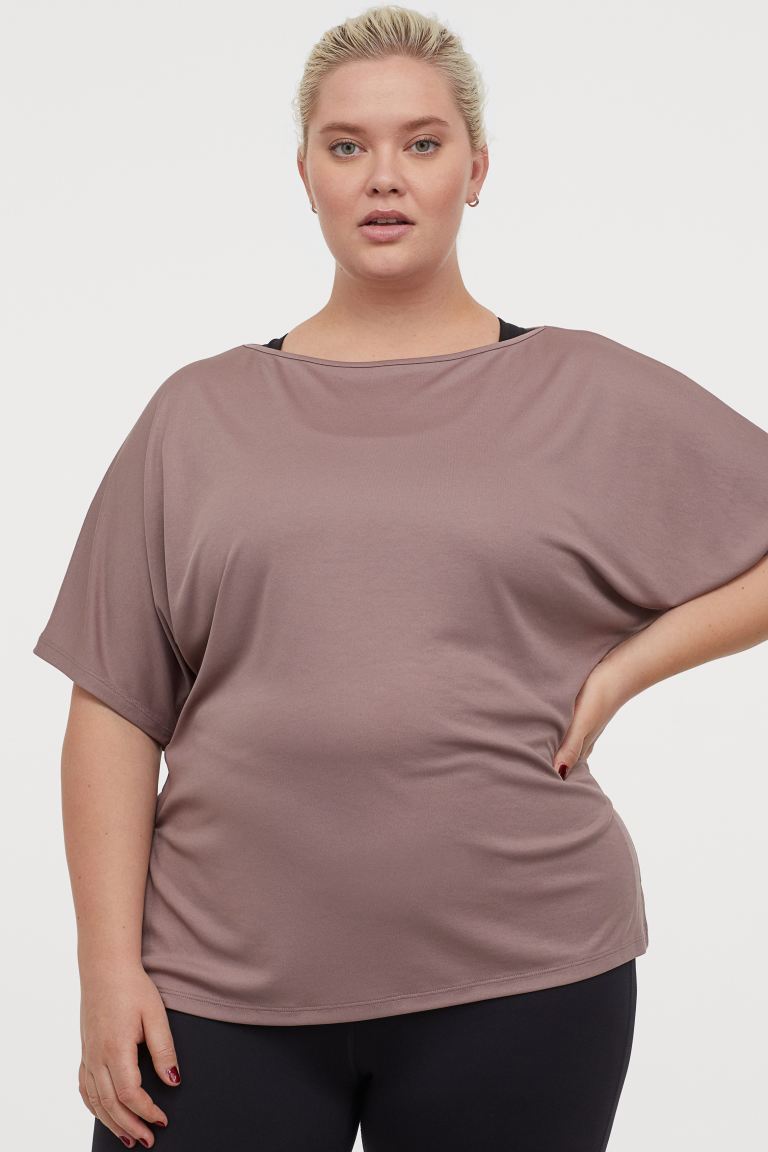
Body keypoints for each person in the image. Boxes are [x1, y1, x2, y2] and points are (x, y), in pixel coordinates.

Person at [32, 6, 768, 1151]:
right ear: (306, 174)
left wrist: (626, 669)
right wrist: (104, 971)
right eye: (348, 145)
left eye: (422, 143)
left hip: (523, 975)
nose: (385, 176)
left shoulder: (581, 390)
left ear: (477, 168)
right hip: (212, 988)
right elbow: (115, 706)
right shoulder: (199, 413)